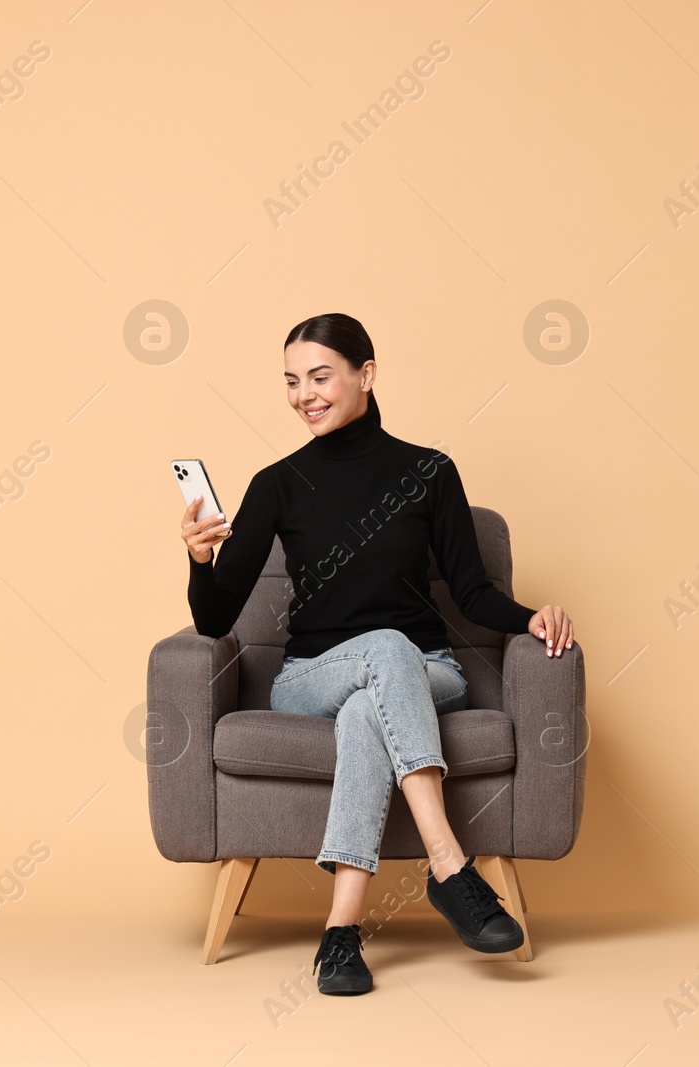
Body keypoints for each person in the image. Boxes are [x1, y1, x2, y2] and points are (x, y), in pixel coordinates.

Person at [179, 312, 575, 995]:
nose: (305, 393)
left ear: (366, 374)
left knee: (373, 703)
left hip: (428, 672)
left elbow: (475, 592)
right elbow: (214, 618)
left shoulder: (429, 471)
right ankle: (450, 866)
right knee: (378, 661)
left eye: (321, 376)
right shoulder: (276, 483)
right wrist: (198, 559)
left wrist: (529, 615)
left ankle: (340, 934)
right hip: (308, 679)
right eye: (291, 381)